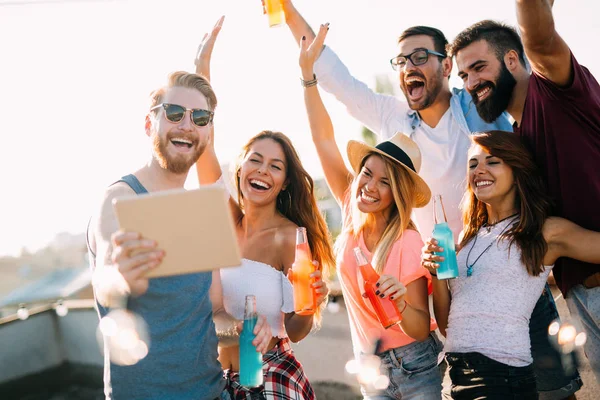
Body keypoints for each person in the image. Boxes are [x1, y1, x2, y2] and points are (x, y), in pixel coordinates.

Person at [281, 2, 580, 398]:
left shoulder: (478, 106)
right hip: (451, 291)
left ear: (446, 66)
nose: (409, 66)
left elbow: (527, 93)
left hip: (514, 271)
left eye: (421, 56)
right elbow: (335, 76)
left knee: (555, 392)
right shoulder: (394, 118)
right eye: (401, 59)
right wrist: (286, 11)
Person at [87, 71, 272, 400]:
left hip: (213, 393)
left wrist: (248, 330)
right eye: (174, 113)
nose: (187, 125)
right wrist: (122, 278)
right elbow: (104, 283)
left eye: (200, 118)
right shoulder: (119, 199)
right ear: (149, 125)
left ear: (208, 133)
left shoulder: (202, 210)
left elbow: (214, 314)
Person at [448, 0, 600, 385]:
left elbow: (540, 35)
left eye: (479, 67)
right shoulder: (517, 143)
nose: (471, 83)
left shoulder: (556, 92)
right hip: (582, 297)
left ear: (513, 60)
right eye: (464, 74)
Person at [193, 18, 335, 400]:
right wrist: (201, 73)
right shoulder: (225, 219)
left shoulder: (291, 237)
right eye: (255, 160)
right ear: (240, 169)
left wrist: (309, 306)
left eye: (276, 166)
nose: (263, 171)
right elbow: (203, 145)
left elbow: (297, 329)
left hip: (271, 377)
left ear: (285, 182)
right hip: (218, 379)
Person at [300, 24, 442, 400]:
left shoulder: (408, 242)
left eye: (384, 183)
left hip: (415, 364)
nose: (369, 186)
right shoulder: (350, 209)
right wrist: (308, 78)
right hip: (370, 364)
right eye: (367, 173)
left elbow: (418, 328)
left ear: (397, 195)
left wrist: (400, 300)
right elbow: (323, 140)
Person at [421, 130, 600, 399]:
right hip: (454, 379)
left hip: (502, 379)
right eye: (473, 164)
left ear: (517, 171)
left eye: (492, 161)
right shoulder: (466, 239)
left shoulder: (543, 232)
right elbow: (448, 326)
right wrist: (436, 275)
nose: (479, 170)